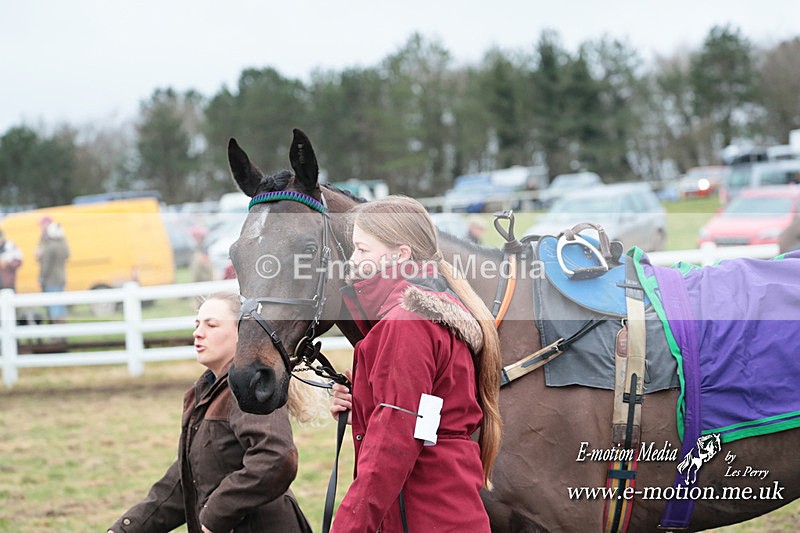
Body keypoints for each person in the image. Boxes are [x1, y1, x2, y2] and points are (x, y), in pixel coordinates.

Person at [329, 196, 503, 532]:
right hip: (442, 511)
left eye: (363, 250)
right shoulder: (425, 313)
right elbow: (426, 415)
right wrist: (364, 408)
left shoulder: (406, 322)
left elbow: (395, 438)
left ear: (401, 255)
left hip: (425, 516)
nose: (353, 261)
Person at [108, 292, 314, 533]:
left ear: (243, 334)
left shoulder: (249, 390)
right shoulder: (203, 392)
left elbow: (275, 457)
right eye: (197, 324)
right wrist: (128, 528)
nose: (198, 333)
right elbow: (187, 478)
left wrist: (216, 514)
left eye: (211, 325)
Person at [35, 217, 70, 321]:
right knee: (60, 306)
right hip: (60, 278)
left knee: (54, 308)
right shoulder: (62, 243)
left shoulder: (50, 246)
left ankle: (57, 335)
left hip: (51, 280)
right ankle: (61, 334)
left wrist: (41, 277)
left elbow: (46, 264)